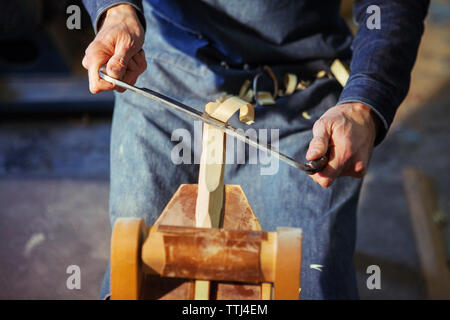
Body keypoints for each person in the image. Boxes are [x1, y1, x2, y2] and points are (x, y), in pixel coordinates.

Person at [81, 0, 429, 299]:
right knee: (133, 272)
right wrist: (116, 10)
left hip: (301, 88)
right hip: (159, 75)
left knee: (312, 277)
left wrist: (364, 102)